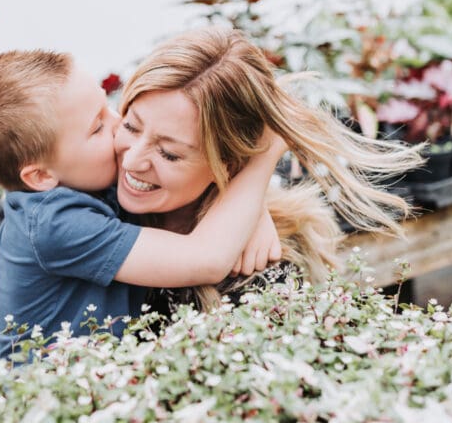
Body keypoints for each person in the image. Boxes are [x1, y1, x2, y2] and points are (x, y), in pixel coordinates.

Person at [0, 48, 286, 374]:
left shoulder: (84, 180)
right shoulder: (52, 223)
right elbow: (206, 260)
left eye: (110, 107)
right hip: (45, 403)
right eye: (97, 127)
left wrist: (256, 209)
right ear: (40, 176)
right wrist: (263, 157)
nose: (117, 125)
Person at [114, 27, 422, 314]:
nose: (131, 162)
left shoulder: (259, 273)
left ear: (229, 164)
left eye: (169, 154)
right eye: (130, 125)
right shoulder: (85, 200)